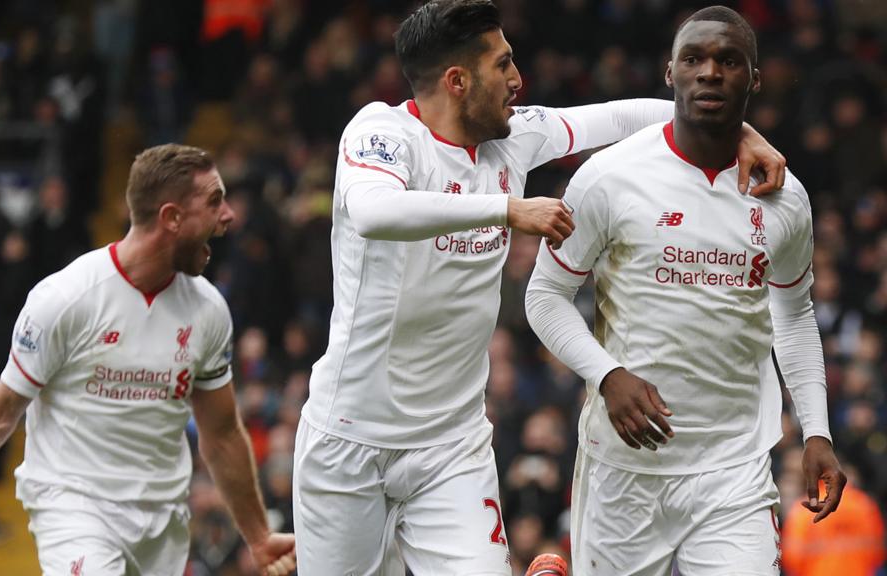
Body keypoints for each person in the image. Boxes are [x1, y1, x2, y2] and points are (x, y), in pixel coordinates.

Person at [292, 1, 788, 574]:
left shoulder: (516, 137)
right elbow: (375, 211)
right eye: (502, 65)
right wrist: (506, 210)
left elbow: (627, 117)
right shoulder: (382, 131)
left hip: (452, 447)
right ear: (457, 81)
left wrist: (739, 128)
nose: (517, 80)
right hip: (348, 440)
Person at [0, 144, 296, 576]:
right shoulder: (66, 299)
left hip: (162, 521)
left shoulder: (209, 310)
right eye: (215, 201)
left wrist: (259, 537)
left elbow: (221, 432)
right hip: (75, 507)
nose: (229, 217)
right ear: (171, 217)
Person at [524, 7, 846, 575]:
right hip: (623, 470)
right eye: (693, 59)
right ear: (669, 73)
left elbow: (793, 318)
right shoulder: (608, 177)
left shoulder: (784, 197)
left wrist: (816, 429)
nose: (710, 72)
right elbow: (544, 297)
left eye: (728, 60)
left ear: (755, 77)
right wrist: (608, 376)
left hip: (734, 471)